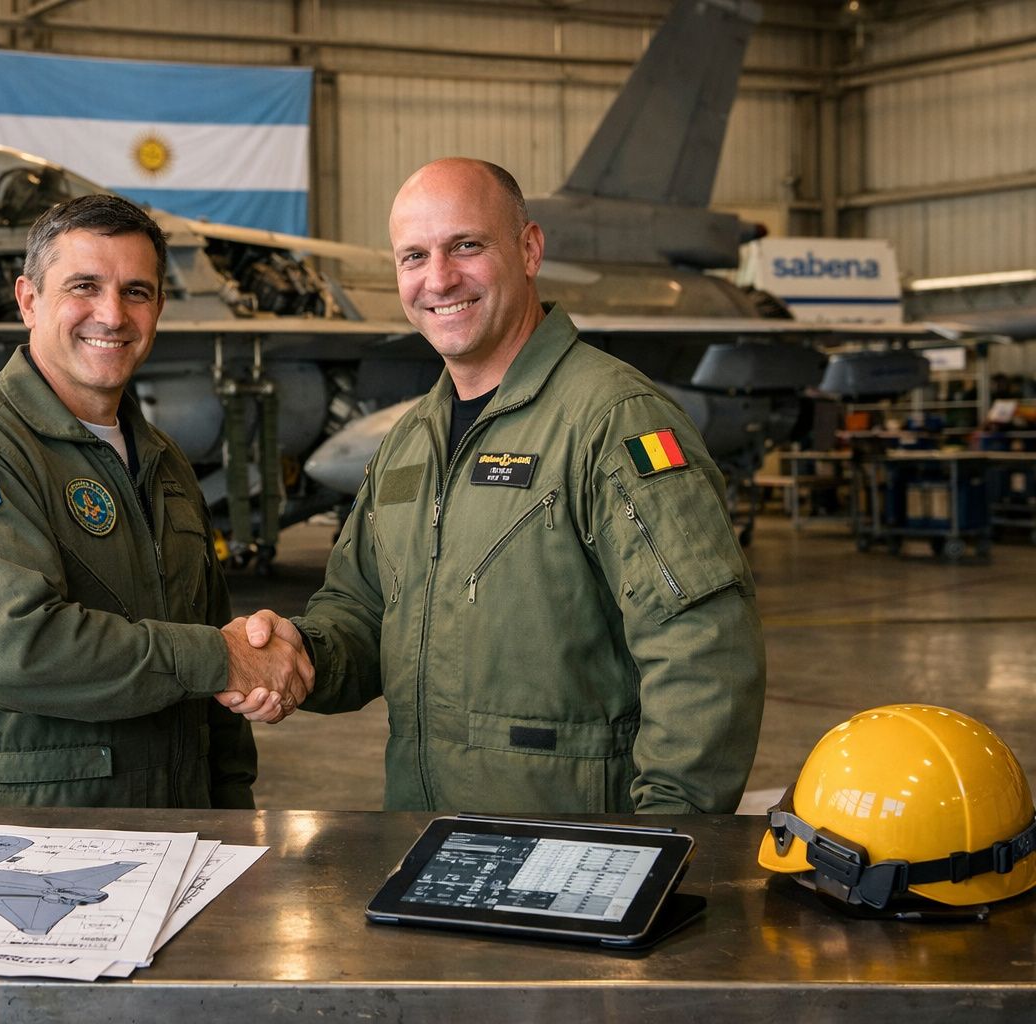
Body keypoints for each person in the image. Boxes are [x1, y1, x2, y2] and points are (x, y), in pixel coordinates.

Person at [239, 158, 766, 814]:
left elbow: (703, 648)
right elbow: (364, 612)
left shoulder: (611, 420)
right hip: (426, 839)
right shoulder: (409, 443)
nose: (439, 279)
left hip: (576, 851)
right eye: (413, 256)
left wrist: (662, 842)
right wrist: (300, 652)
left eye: (466, 246)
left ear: (529, 249)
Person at [0, 194, 310, 808]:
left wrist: (231, 808)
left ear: (160, 307)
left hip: (184, 825)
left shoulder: (163, 460)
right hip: (36, 839)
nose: (112, 314)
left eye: (137, 292)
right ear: (29, 300)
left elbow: (213, 649)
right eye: (84, 287)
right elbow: (16, 652)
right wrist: (219, 659)